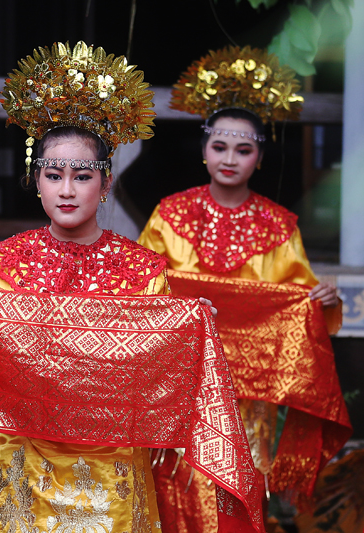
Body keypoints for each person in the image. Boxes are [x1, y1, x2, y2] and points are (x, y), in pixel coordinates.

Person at [0, 41, 222, 533]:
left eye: (82, 176)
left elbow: (153, 379)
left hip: (111, 470)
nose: (67, 189)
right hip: (24, 462)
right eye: (53, 174)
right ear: (35, 180)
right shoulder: (0, 264)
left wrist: (190, 330)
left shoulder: (144, 272)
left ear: (104, 184)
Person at [138, 46, 348, 533]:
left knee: (236, 491)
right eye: (220, 147)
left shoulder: (279, 227)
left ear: (259, 157)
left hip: (246, 398)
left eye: (244, 149)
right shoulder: (169, 215)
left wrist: (323, 303)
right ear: (204, 148)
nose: (229, 159)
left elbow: (300, 313)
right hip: (180, 389)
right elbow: (142, 296)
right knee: (174, 492)